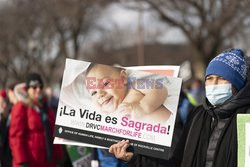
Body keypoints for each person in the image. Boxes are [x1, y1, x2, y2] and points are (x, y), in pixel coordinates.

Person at [109, 48, 250, 167]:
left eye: (222, 78)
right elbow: (177, 162)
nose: (214, 83)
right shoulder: (198, 116)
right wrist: (133, 158)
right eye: (210, 78)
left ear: (236, 83)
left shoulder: (247, 118)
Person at [85, 63, 171, 123]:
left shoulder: (134, 88)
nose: (100, 94)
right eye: (93, 92)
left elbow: (159, 88)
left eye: (105, 84)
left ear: (122, 78)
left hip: (170, 131)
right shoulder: (107, 119)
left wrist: (141, 107)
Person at [9, 73, 63, 167]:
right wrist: (21, 161)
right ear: (27, 90)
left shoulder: (46, 107)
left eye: (40, 87)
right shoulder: (21, 107)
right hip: (30, 161)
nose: (38, 90)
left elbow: (53, 133)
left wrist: (59, 156)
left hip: (48, 161)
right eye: (34, 87)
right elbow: (15, 137)